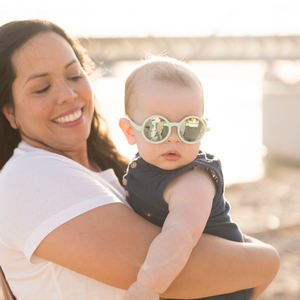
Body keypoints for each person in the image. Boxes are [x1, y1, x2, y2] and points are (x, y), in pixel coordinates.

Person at [0, 19, 279, 300]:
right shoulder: (28, 177)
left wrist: (254, 262)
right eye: (41, 88)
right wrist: (266, 260)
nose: (68, 95)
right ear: (9, 111)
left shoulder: (116, 172)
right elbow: (181, 275)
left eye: (74, 76)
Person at [118, 57, 262, 300]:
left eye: (189, 127)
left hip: (218, 287)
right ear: (131, 131)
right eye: (157, 127)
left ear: (203, 130)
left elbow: (180, 234)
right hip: (184, 275)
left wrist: (148, 286)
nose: (174, 138)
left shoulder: (193, 181)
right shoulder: (144, 165)